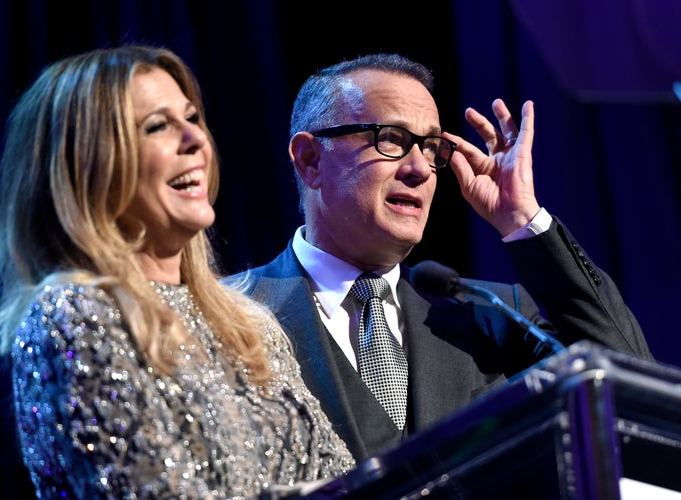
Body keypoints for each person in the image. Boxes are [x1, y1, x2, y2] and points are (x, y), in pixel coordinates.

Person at [0, 44, 355, 498]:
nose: (195, 140)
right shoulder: (75, 317)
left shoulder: (248, 325)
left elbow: (345, 481)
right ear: (89, 167)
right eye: (157, 127)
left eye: (192, 119)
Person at [225, 53, 654, 462]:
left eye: (430, 147)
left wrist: (523, 218)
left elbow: (636, 391)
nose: (420, 168)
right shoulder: (228, 315)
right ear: (310, 159)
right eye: (391, 139)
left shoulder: (493, 314)